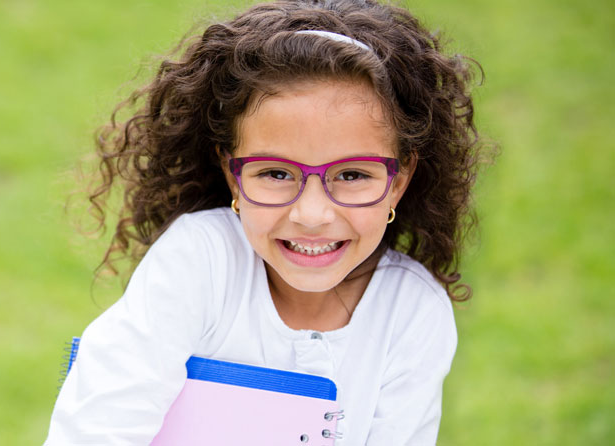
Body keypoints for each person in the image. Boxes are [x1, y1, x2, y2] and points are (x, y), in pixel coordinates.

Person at [44, 0, 485, 444]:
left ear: (399, 180)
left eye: (352, 175)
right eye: (276, 173)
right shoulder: (199, 260)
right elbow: (99, 426)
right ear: (231, 174)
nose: (312, 215)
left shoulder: (412, 310)